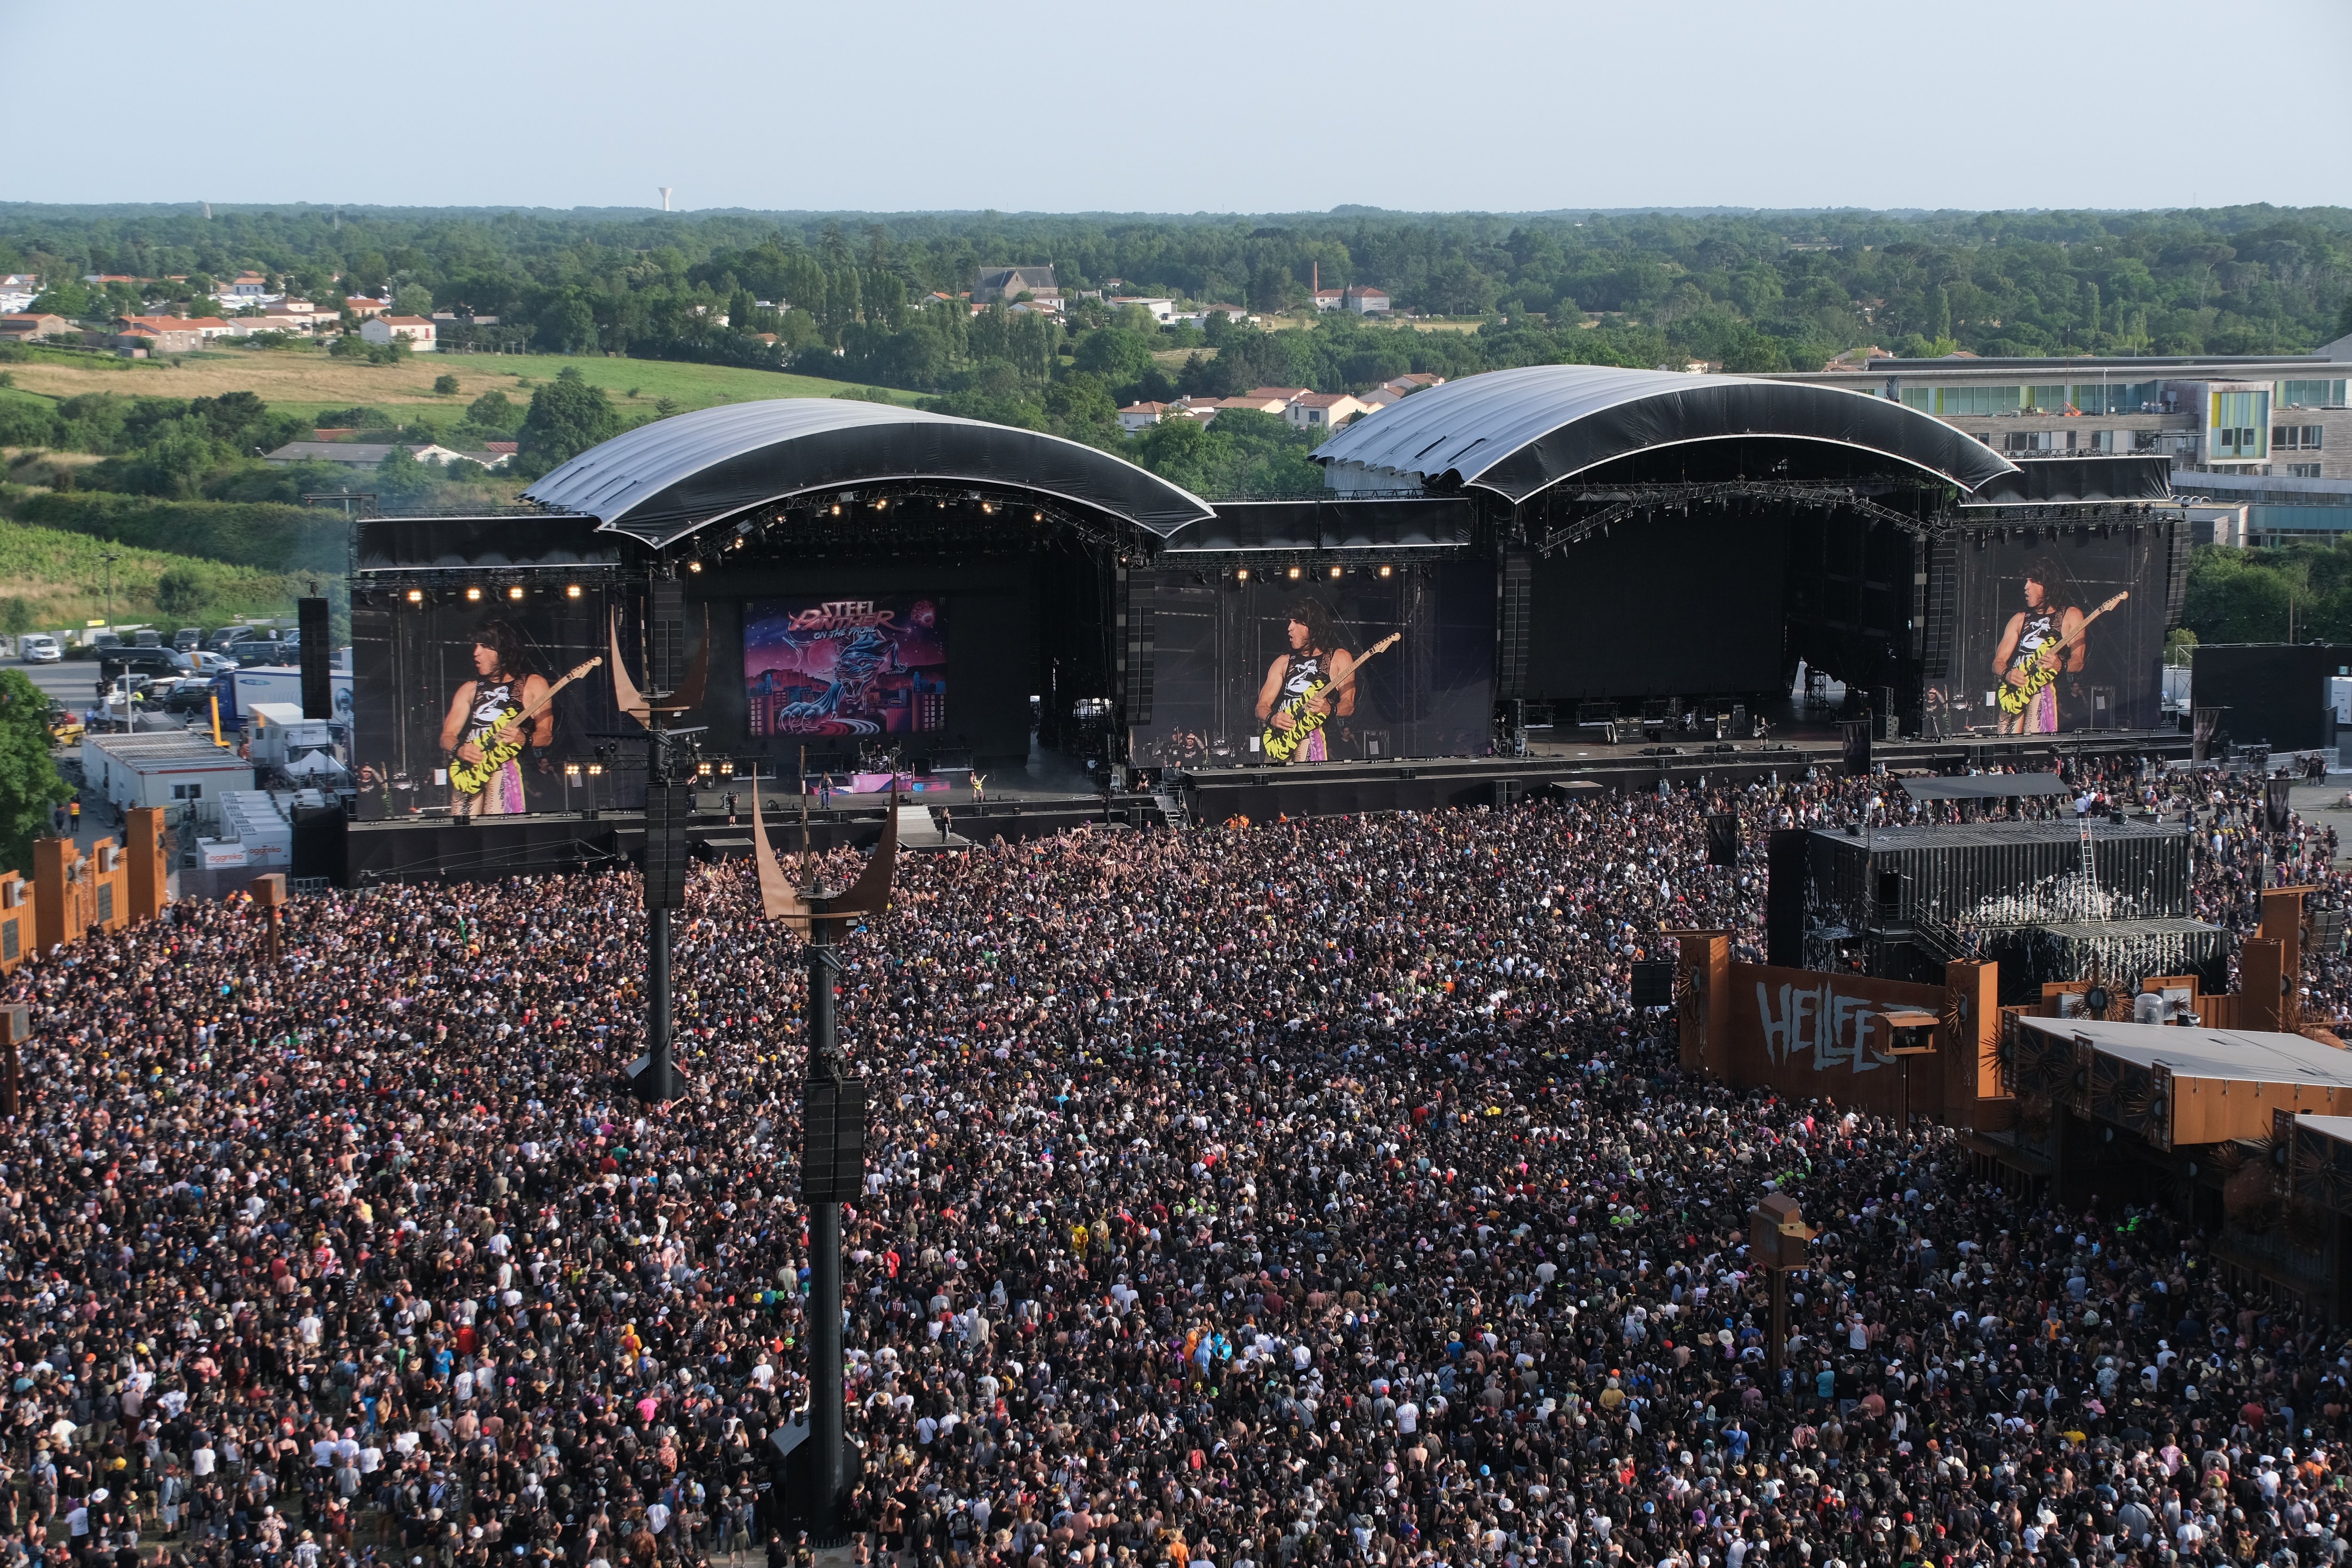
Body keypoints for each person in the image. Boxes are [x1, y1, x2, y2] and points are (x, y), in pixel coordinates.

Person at [438, 621, 553, 817]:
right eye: (475, 646)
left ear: (503, 650)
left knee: (496, 829)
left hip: (504, 766)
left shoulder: (533, 684)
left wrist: (524, 739)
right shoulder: (470, 688)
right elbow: (446, 736)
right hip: (470, 769)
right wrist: (460, 749)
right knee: (460, 830)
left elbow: (546, 735)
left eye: (484, 646)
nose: (476, 653)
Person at [1253, 599, 1357, 764]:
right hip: (1280, 741)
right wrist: (1272, 718)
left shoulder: (1339, 658)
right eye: (1289, 622)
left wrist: (1330, 709)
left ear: (1313, 625)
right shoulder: (1283, 662)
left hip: (1316, 739)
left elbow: (1349, 705)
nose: (1289, 628)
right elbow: (1261, 706)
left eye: (1297, 622)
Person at [1993, 557, 2085, 736]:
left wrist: (2062, 665)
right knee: (2003, 746)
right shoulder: (2020, 619)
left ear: (2048, 585)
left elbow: (2079, 661)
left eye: (2033, 581)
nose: (2026, 587)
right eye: (2026, 581)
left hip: (2043, 688)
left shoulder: (2071, 615)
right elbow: (1998, 661)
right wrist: (2007, 673)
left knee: (2031, 747)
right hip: (2014, 691)